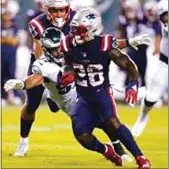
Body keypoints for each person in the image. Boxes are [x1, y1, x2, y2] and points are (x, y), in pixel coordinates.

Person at [4, 26, 151, 164]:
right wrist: (22, 84)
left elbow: (101, 45)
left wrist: (129, 42)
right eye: (53, 50)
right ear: (46, 50)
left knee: (109, 122)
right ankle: (108, 150)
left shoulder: (70, 48)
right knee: (98, 126)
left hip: (83, 94)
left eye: (58, 48)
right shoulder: (42, 64)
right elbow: (36, 78)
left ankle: (127, 153)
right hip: (69, 102)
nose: (58, 52)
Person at [60, 8, 151, 168]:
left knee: (112, 122)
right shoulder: (68, 44)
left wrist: (133, 83)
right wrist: (68, 72)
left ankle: (140, 157)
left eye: (81, 31)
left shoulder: (104, 44)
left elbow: (128, 63)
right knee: (81, 134)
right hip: (83, 97)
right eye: (74, 30)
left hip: (101, 93)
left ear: (93, 29)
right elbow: (68, 63)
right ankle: (107, 151)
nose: (76, 34)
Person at [12, 0, 77, 157]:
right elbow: (40, 52)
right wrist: (47, 72)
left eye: (61, 9)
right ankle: (23, 141)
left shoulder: (76, 18)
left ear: (67, 8)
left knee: (67, 106)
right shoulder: (37, 23)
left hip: (68, 62)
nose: (58, 13)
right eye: (54, 9)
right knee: (31, 104)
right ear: (47, 9)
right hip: (42, 61)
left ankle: (52, 95)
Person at [131, 0, 168, 137]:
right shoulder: (164, 27)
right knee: (151, 97)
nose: (167, 18)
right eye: (164, 15)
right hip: (165, 64)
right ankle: (142, 117)